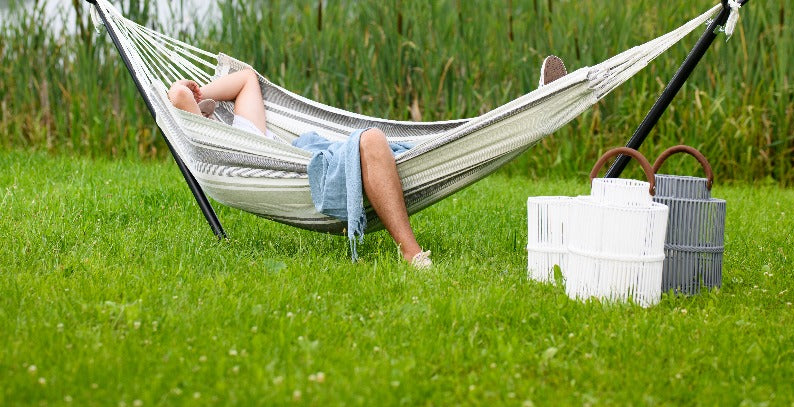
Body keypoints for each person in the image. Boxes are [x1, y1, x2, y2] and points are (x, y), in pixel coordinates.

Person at [168, 54, 568, 271]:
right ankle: (412, 254)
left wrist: (204, 90)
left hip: (312, 154)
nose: (203, 107)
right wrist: (188, 97)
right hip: (297, 172)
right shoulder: (225, 147)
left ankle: (523, 110)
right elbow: (175, 99)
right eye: (199, 109)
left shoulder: (244, 126)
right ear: (199, 123)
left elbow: (247, 78)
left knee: (416, 149)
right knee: (374, 141)